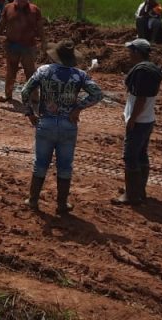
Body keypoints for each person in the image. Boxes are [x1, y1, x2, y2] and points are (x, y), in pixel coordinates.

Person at [20, 39, 104, 214]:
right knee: (65, 166)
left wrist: (30, 113)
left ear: (54, 56)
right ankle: (61, 204)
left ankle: (33, 200)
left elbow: (25, 91)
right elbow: (97, 94)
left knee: (41, 164)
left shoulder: (43, 71)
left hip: (46, 123)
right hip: (68, 125)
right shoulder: (79, 75)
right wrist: (79, 107)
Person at [112, 39, 162, 205]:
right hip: (148, 119)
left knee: (130, 156)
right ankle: (139, 191)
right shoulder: (151, 68)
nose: (128, 54)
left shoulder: (141, 72)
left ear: (136, 52)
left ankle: (131, 196)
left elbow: (140, 99)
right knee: (141, 154)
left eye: (130, 51)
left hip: (139, 121)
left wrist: (132, 119)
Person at [0, 0, 45, 103]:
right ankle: (8, 95)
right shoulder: (8, 8)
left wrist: (44, 42)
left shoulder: (34, 10)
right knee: (11, 72)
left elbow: (40, 28)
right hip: (12, 46)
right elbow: (1, 24)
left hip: (28, 46)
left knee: (31, 72)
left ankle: (35, 97)